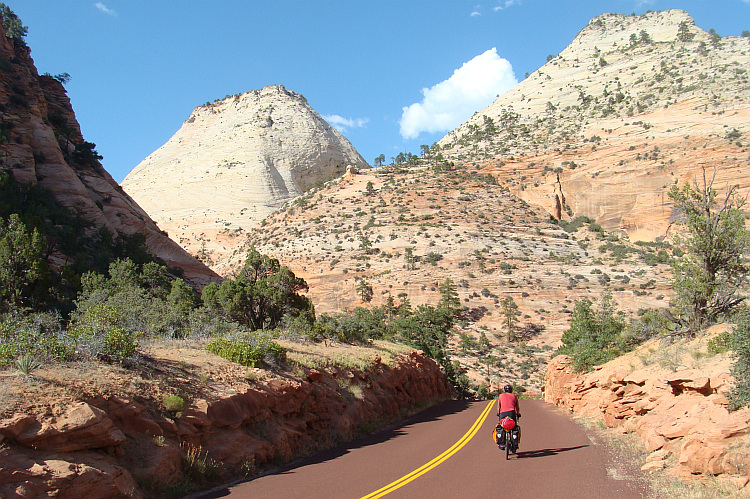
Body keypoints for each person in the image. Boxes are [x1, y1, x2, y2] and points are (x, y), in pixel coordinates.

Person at [496, 384, 521, 450]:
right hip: (511, 413)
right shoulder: (514, 396)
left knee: (501, 426)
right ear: (511, 390)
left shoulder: (501, 396)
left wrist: (498, 413)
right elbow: (517, 407)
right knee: (514, 427)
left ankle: (501, 442)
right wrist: (518, 413)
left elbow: (499, 406)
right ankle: (515, 444)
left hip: (503, 414)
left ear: (504, 390)